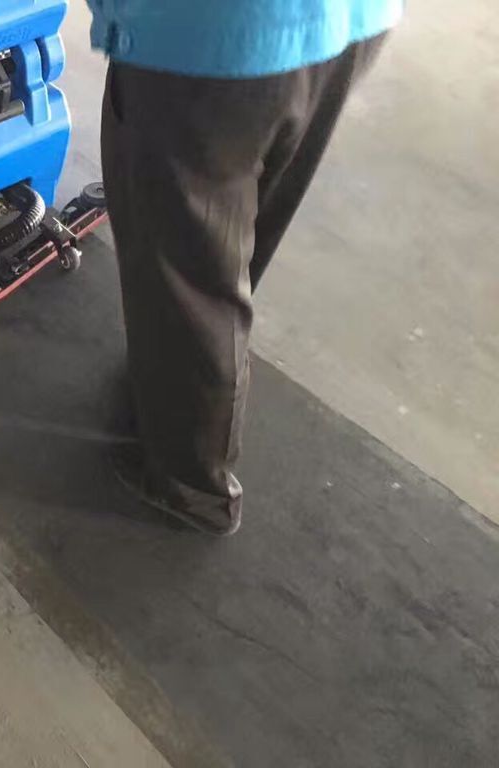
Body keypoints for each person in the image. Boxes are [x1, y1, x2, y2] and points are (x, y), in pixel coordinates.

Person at [87, 1, 403, 536]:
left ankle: (190, 487)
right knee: (244, 211)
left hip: (205, 36)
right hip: (349, 20)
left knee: (186, 270)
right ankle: (175, 374)